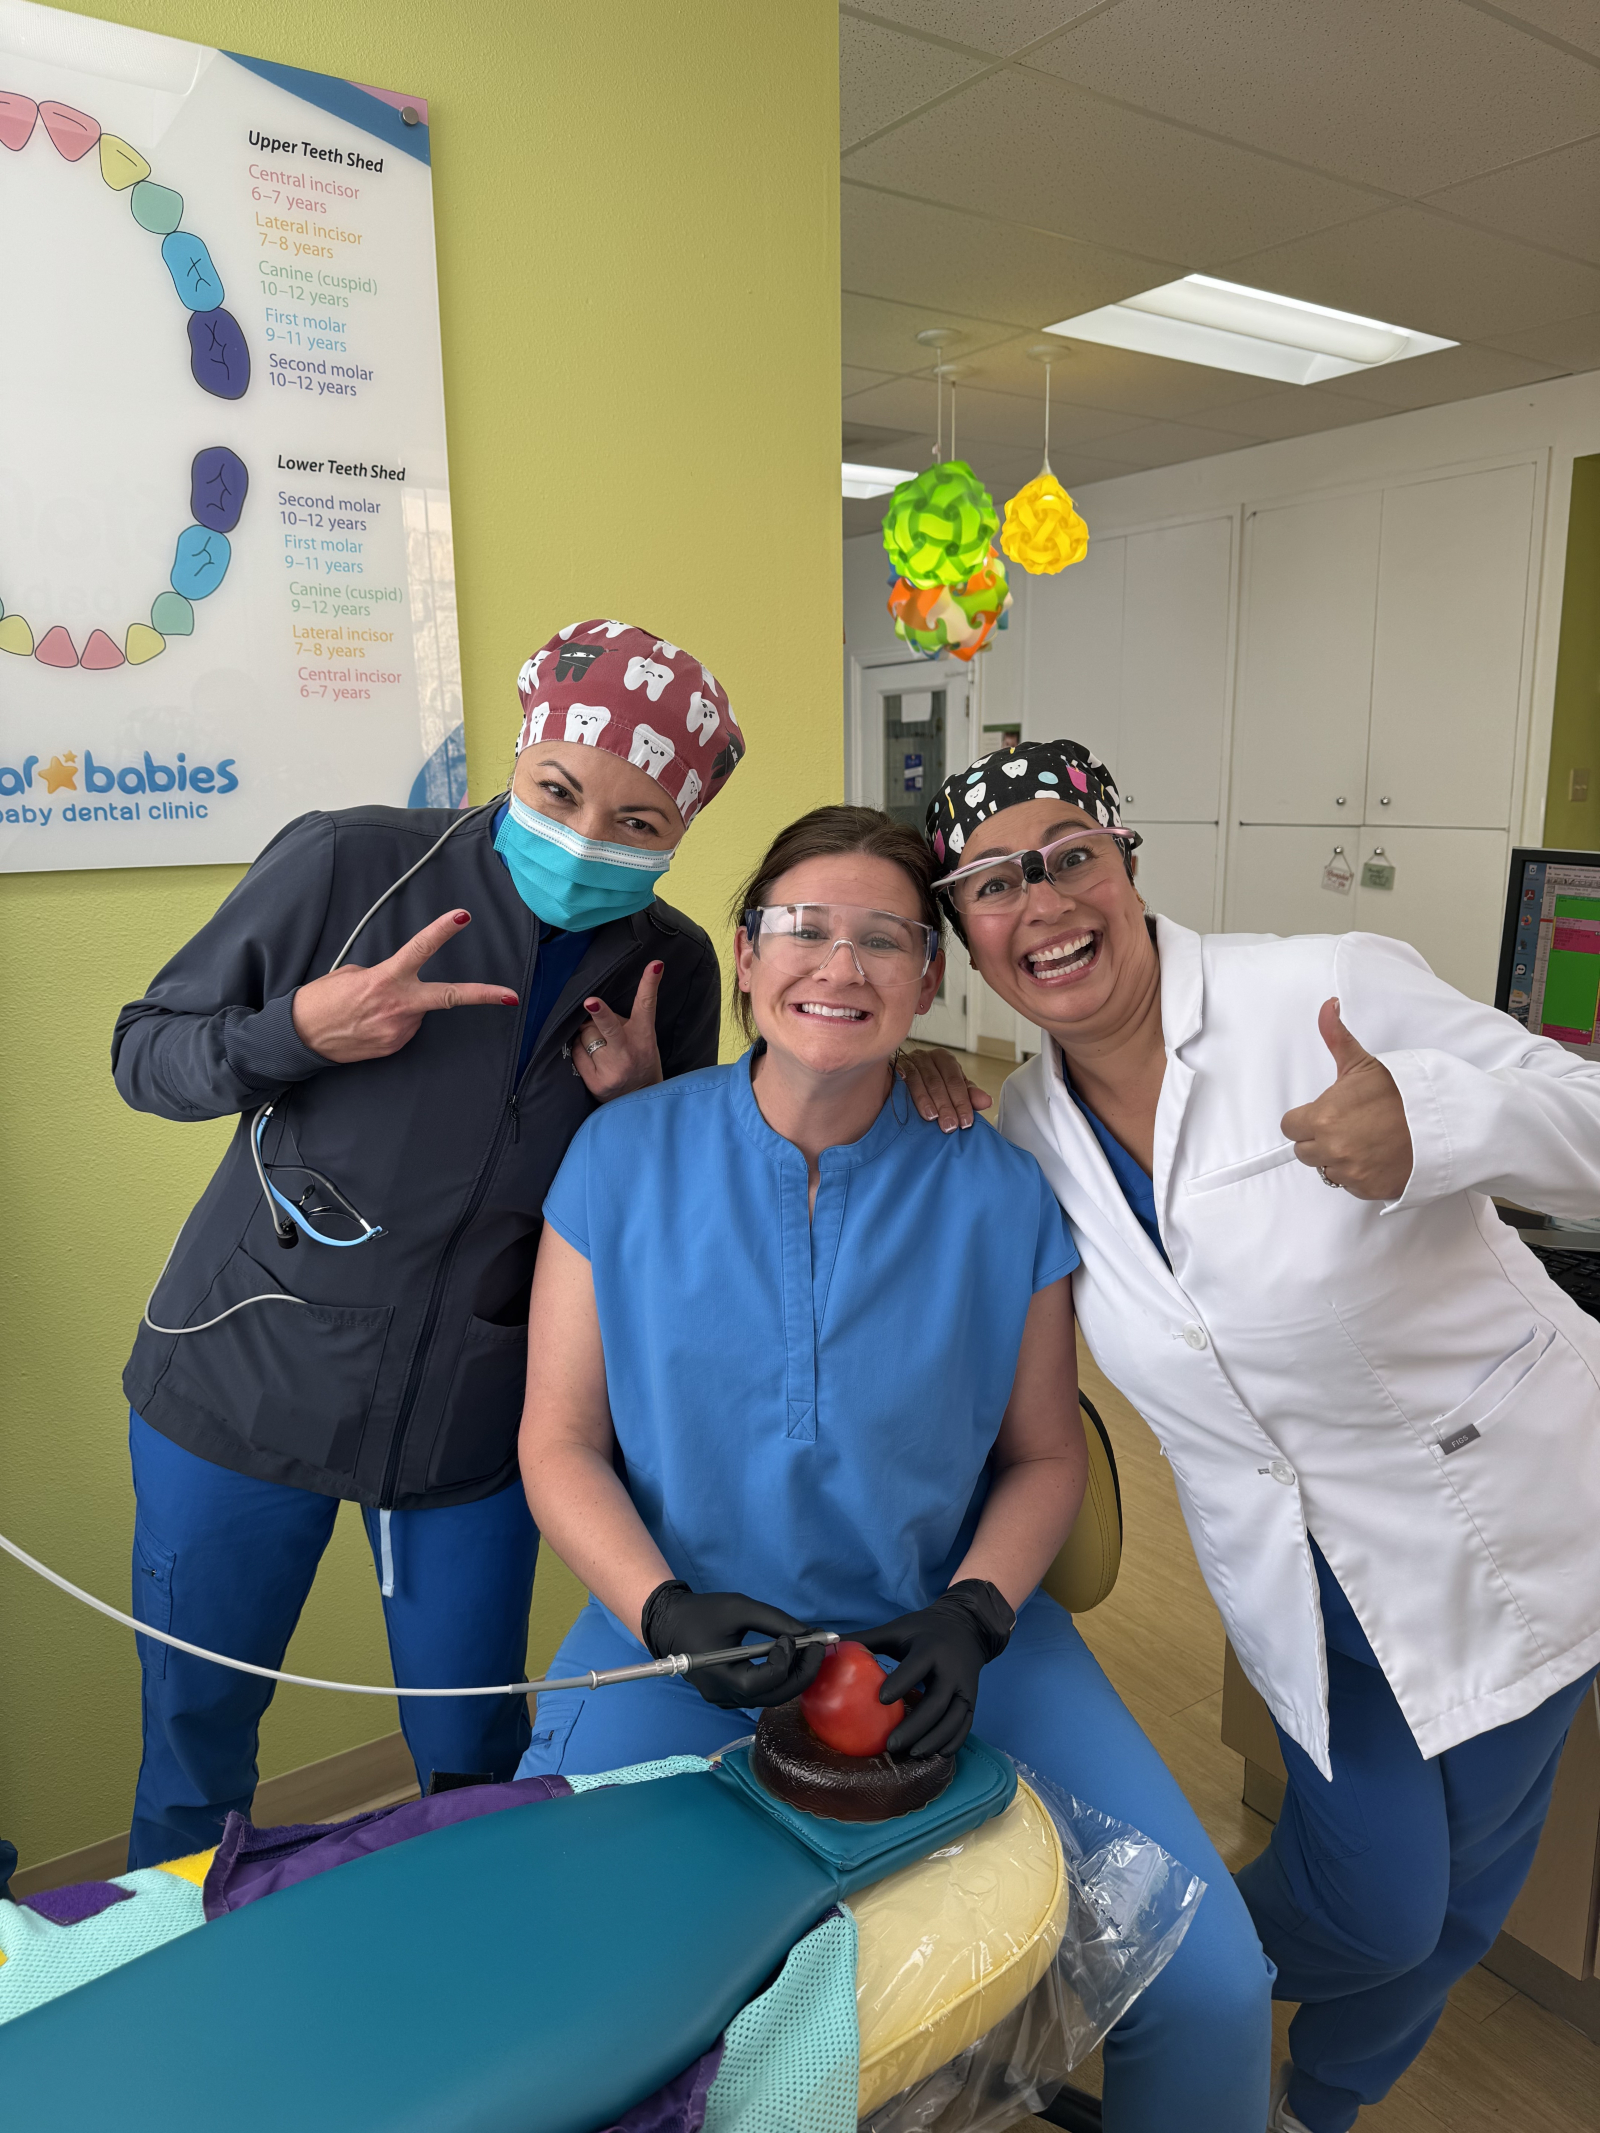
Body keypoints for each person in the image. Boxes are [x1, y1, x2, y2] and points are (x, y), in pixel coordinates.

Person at [515, 803, 1272, 2133]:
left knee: (1212, 1990)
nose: (840, 964)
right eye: (804, 928)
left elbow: (1046, 1454)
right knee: (562, 1992)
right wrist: (662, 1611)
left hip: (955, 1646)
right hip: (681, 1646)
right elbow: (558, 1442)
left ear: (929, 980)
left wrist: (974, 1613)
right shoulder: (620, 1157)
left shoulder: (998, 1184)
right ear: (746, 954)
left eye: (884, 939)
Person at [900, 740, 1600, 2133]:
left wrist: (1440, 1123)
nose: (1044, 902)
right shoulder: (1023, 1128)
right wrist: (894, 1064)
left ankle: (1303, 2109)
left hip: (1509, 1526)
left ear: (1126, 864)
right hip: (1295, 1577)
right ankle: (1100, 1989)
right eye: (994, 883)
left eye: (1071, 857)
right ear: (962, 937)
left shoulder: (1324, 986)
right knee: (1382, 1910)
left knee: (1454, 1911)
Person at [111, 620, 745, 1868]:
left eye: (636, 821)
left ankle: (460, 1972)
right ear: (519, 754)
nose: (586, 838)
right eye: (557, 792)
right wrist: (298, 1029)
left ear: (680, 827)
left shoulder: (669, 963)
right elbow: (145, 1054)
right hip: (239, 1383)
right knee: (194, 1746)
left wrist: (646, 1109)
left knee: (471, 1759)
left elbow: (662, 1222)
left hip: (472, 1422)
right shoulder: (351, 864)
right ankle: (159, 1971)